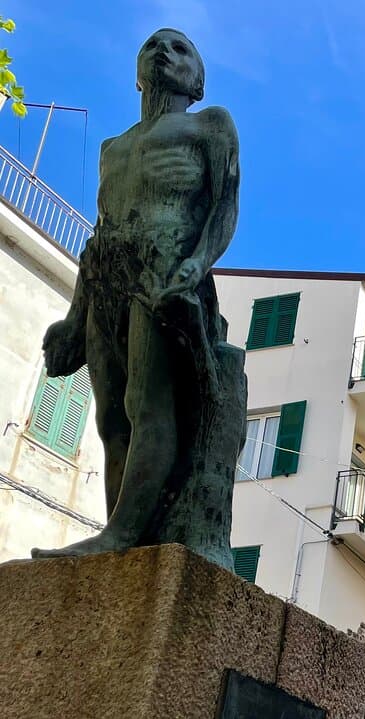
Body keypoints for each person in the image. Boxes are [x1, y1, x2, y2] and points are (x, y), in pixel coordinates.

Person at [32, 28, 242, 565]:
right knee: (109, 420)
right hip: (108, 276)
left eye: (180, 49)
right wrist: (74, 317)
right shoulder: (113, 147)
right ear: (136, 72)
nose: (163, 53)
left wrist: (195, 265)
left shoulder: (210, 126)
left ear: (197, 80)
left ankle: (123, 535)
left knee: (147, 403)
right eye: (153, 46)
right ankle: (117, 533)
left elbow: (223, 209)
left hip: (166, 269)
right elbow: (98, 232)